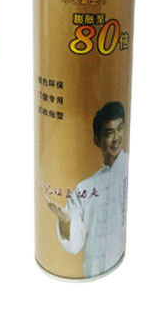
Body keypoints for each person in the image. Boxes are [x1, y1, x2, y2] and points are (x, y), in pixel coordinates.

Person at [45, 102, 129, 277]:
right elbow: (75, 244)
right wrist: (66, 220)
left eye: (119, 129)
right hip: (91, 272)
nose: (116, 138)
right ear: (96, 139)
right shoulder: (85, 188)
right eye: (109, 133)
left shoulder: (128, 168)